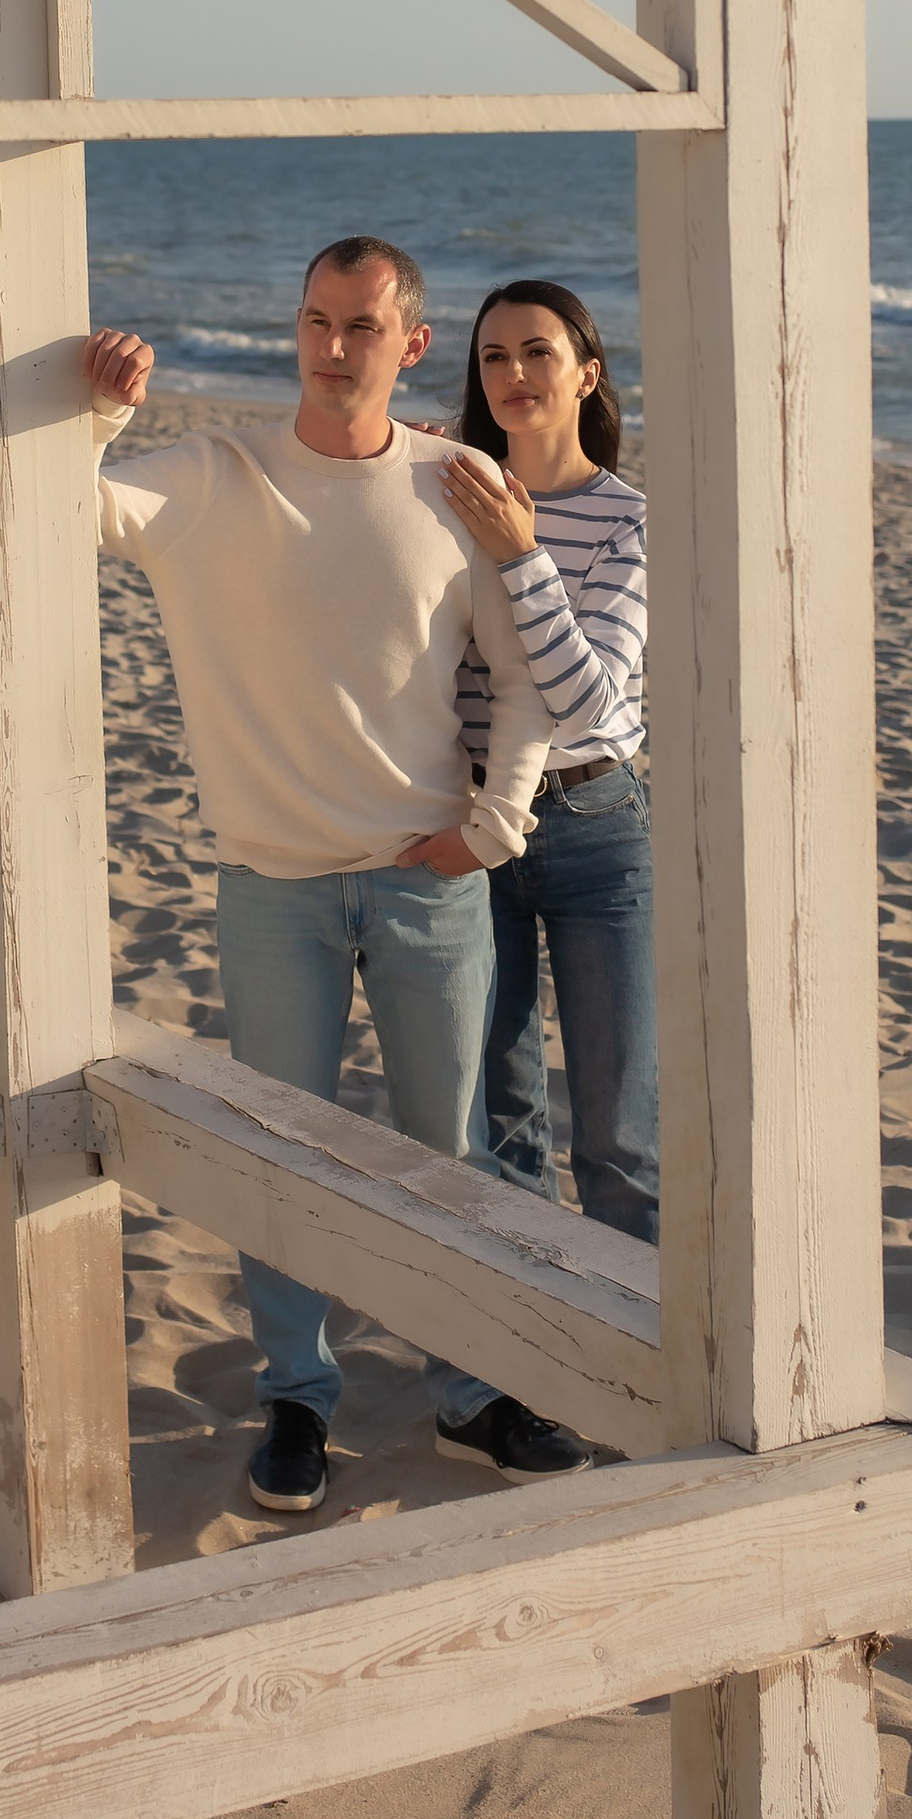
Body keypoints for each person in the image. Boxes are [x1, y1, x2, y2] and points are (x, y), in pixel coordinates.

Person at [84, 235, 594, 1517]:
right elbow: (62, 507)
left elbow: (527, 673)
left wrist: (498, 823)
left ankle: (473, 1393)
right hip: (272, 887)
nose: (330, 348)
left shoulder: (456, 481)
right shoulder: (212, 476)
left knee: (451, 1155)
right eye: (314, 320)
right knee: (281, 1159)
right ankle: (297, 1401)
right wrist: (98, 410)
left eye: (361, 328)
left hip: (429, 881)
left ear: (410, 344)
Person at [434, 281, 655, 1246]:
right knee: (501, 1123)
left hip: (596, 832)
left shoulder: (629, 521)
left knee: (619, 1137)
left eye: (538, 353)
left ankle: (644, 1371)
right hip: (470, 828)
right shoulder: (445, 493)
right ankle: (539, 1368)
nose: (515, 374)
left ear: (585, 375)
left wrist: (524, 558)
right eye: (494, 357)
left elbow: (589, 702)